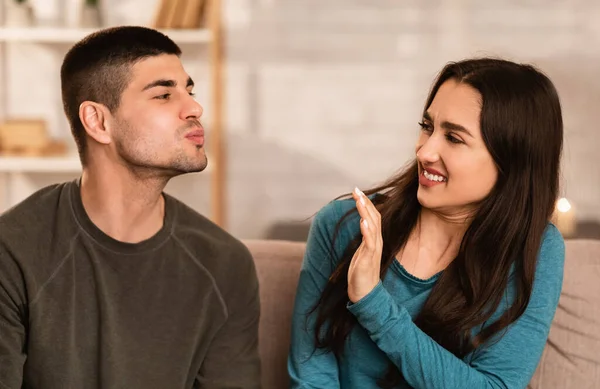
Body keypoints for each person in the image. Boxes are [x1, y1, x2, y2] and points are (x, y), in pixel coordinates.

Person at [0, 26, 261, 389]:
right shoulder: (12, 251)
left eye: (189, 90)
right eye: (163, 94)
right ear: (98, 121)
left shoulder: (225, 263)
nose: (195, 107)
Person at [288, 57, 565, 388]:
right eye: (427, 127)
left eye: (454, 138)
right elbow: (311, 375)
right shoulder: (344, 225)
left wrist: (373, 303)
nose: (425, 151)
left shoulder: (533, 249)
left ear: (511, 161)